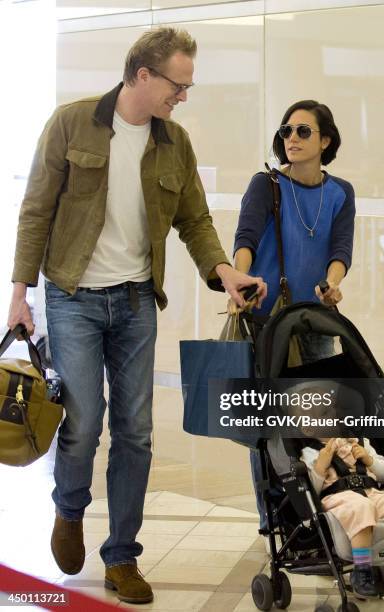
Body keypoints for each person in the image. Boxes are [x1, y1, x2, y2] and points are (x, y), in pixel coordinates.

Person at [7, 27, 266, 605]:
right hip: (72, 296)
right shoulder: (72, 123)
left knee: (137, 431)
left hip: (134, 301)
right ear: (143, 75)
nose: (184, 95)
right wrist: (20, 293)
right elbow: (36, 210)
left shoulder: (174, 142)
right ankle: (69, 510)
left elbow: (194, 220)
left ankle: (122, 556)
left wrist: (224, 272)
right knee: (80, 423)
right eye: (179, 83)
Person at [231, 100, 355, 535]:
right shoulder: (266, 184)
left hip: (316, 320)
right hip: (268, 321)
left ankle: (325, 516)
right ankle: (276, 522)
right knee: (269, 425)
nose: (292, 139)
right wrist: (240, 280)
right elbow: (245, 237)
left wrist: (333, 282)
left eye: (304, 131)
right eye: (286, 131)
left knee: (318, 421)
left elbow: (341, 249)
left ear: (325, 140)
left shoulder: (340, 192)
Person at [301, 437, 384, 599]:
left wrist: (369, 460)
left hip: (372, 494)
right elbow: (310, 491)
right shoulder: (310, 452)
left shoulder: (361, 443)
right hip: (338, 499)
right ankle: (362, 570)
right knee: (362, 506)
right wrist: (320, 466)